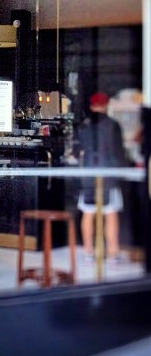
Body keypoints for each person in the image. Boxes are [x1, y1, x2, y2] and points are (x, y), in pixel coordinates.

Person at [76, 92, 128, 264]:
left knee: (88, 213)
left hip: (88, 176)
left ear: (92, 106)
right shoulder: (113, 125)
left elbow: (77, 151)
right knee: (111, 214)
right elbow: (119, 152)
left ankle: (88, 253)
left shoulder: (84, 126)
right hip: (109, 176)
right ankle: (113, 254)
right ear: (106, 105)